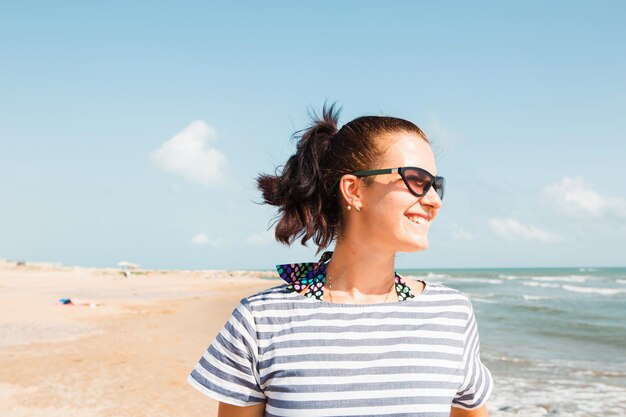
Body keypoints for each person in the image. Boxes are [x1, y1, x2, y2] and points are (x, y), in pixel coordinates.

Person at [188, 104, 493, 417]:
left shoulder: (451, 314)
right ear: (354, 190)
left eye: (435, 185)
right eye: (416, 180)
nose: (434, 201)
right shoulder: (260, 320)